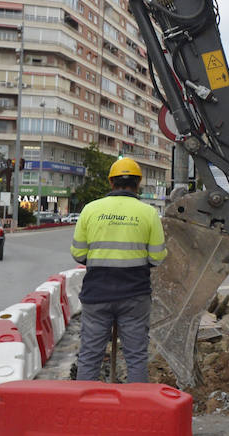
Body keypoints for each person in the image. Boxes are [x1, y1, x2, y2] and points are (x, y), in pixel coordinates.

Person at [70, 157, 167, 382]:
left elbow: (78, 254)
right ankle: (136, 411)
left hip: (97, 295)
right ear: (138, 184)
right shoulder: (149, 213)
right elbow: (157, 257)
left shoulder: (90, 210)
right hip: (135, 295)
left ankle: (84, 409)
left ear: (111, 183)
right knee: (135, 358)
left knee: (89, 356)